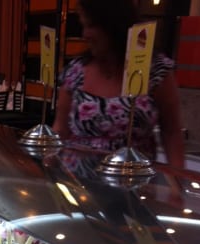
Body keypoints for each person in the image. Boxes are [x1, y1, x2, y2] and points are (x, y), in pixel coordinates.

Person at [52, 0, 185, 168]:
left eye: (91, 26)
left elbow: (171, 132)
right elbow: (60, 129)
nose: (85, 34)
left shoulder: (156, 71)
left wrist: (177, 179)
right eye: (83, 26)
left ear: (113, 25)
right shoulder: (75, 71)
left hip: (133, 178)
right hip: (78, 179)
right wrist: (46, 169)